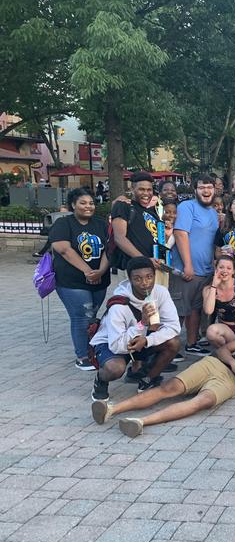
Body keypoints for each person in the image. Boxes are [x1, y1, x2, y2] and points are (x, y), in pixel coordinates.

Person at [93, 304, 235, 437]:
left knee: (203, 402)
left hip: (232, 383)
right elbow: (224, 349)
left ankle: (140, 422)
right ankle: (112, 409)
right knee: (170, 388)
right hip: (216, 364)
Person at [89, 258, 181, 400]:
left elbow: (174, 326)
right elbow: (117, 346)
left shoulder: (161, 292)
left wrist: (147, 340)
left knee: (173, 342)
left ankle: (147, 379)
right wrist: (142, 324)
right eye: (137, 279)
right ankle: (101, 380)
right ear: (130, 279)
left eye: (149, 277)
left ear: (155, 276)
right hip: (113, 343)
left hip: (141, 339)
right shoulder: (119, 304)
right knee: (115, 369)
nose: (145, 283)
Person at [50, 188, 111, 370]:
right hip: (72, 281)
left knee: (91, 316)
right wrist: (87, 271)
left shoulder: (100, 224)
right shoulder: (64, 223)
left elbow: (109, 249)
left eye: (91, 203)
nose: (88, 206)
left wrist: (100, 271)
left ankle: (92, 350)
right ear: (73, 205)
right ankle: (83, 356)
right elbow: (64, 249)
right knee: (81, 317)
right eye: (83, 203)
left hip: (99, 280)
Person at [172, 174, 219, 357]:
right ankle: (170, 347)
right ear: (195, 190)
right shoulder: (187, 207)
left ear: (214, 190)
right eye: (201, 187)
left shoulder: (214, 213)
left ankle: (191, 343)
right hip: (187, 270)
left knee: (195, 309)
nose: (206, 191)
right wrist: (188, 265)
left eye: (209, 187)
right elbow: (180, 234)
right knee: (178, 311)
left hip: (206, 271)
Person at [110, 171, 161, 273]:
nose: (146, 193)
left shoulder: (153, 213)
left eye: (149, 190)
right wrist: (144, 260)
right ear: (132, 189)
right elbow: (119, 238)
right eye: (141, 189)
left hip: (153, 268)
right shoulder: (123, 206)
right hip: (133, 268)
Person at [203, 256, 235, 347]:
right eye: (221, 267)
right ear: (216, 269)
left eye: (229, 268)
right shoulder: (208, 289)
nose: (224, 270)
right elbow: (208, 311)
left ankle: (232, 350)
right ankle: (226, 350)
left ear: (233, 271)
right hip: (227, 330)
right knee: (211, 332)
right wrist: (214, 286)